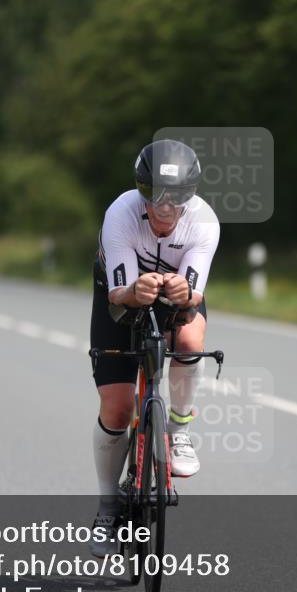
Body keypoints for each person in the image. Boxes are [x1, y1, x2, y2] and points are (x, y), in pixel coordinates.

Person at [88, 139, 220, 557]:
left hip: (174, 295)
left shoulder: (204, 222)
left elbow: (194, 299)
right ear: (141, 192)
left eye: (177, 198)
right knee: (118, 408)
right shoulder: (120, 214)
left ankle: (178, 432)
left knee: (189, 339)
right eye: (154, 196)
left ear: (191, 197)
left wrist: (185, 292)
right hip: (122, 293)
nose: (164, 208)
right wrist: (135, 290)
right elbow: (118, 297)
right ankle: (108, 508)